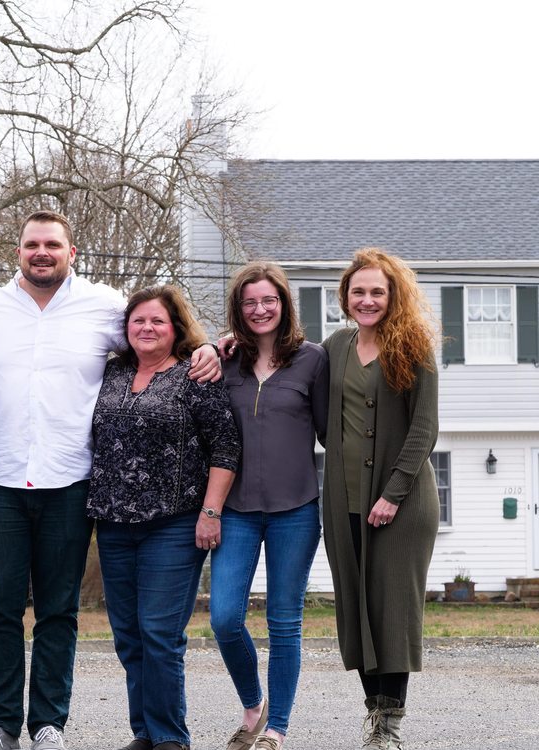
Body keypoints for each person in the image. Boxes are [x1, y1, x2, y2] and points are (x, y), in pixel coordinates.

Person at [0, 211, 221, 750]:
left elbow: (157, 331)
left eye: (53, 244)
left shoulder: (104, 306)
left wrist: (209, 347)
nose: (42, 252)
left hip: (71, 482)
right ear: (19, 252)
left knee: (58, 611)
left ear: (71, 252)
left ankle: (49, 722)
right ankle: (1, 723)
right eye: (32, 244)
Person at [88, 286, 239, 750]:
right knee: (129, 636)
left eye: (157, 321)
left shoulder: (196, 375)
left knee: (159, 632)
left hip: (173, 523)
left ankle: (171, 736)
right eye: (138, 320)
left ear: (175, 328)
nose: (147, 328)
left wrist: (211, 512)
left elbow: (226, 448)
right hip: (113, 524)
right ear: (126, 328)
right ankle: (145, 733)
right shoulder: (111, 373)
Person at [322, 248, 439, 750]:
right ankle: (374, 713)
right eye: (358, 291)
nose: (367, 300)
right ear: (345, 297)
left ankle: (389, 725)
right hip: (344, 499)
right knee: (357, 608)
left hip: (403, 504)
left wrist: (393, 492)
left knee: (392, 609)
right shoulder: (334, 347)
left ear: (393, 296)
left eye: (377, 291)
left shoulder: (413, 346)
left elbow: (424, 428)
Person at [210, 262, 328, 750]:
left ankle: (276, 727)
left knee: (284, 620)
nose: (260, 309)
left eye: (269, 300)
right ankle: (253, 703)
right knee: (223, 617)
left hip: (296, 509)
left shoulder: (313, 360)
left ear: (284, 304)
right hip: (236, 509)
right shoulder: (225, 361)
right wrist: (209, 347)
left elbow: (331, 433)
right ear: (239, 309)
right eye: (250, 302)